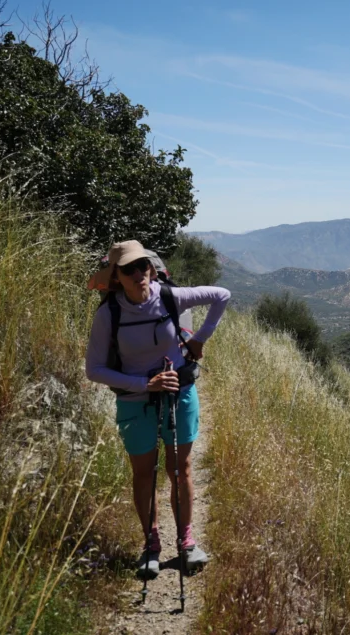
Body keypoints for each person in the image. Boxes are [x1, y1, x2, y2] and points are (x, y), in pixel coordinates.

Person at [85, 240, 230, 579]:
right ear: (117, 277)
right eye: (130, 270)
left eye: (144, 266)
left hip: (179, 391)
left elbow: (221, 295)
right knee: (144, 472)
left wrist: (199, 340)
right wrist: (144, 385)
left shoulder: (168, 296)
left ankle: (186, 541)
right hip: (135, 400)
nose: (139, 274)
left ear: (151, 268)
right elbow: (93, 369)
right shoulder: (109, 314)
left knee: (180, 468)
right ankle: (151, 544)